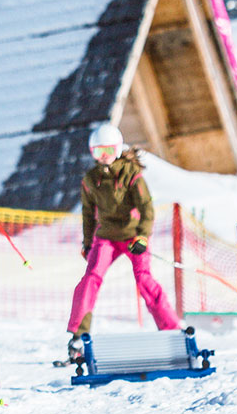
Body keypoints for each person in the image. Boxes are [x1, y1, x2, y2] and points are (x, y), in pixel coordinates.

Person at [65, 124, 180, 362]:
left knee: (144, 278)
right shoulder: (90, 179)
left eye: (107, 150)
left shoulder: (130, 174)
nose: (104, 156)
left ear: (117, 149)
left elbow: (146, 206)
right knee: (91, 277)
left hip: (132, 235)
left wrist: (142, 236)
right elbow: (88, 213)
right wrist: (88, 243)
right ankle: (78, 335)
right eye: (98, 151)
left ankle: (171, 332)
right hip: (106, 236)